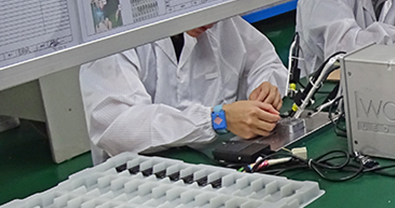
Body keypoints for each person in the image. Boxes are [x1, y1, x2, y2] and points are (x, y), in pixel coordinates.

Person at [80, 17, 288, 164]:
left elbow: (265, 61)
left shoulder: (220, 22)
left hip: (213, 169)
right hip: (138, 181)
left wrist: (265, 87)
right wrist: (217, 119)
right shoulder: (115, 38)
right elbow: (120, 127)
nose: (211, 22)